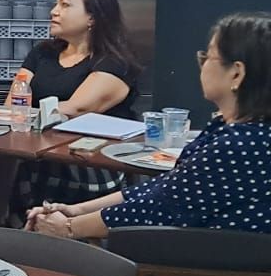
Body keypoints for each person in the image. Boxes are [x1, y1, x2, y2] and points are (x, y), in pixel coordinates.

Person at [29, 12, 271, 238]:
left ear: (236, 74)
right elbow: (164, 188)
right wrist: (78, 211)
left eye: (208, 57)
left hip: (205, 262)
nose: (202, 65)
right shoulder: (232, 131)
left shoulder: (240, 145)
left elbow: (156, 209)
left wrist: (69, 228)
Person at [14, 0, 141, 207]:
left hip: (88, 163)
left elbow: (76, 109)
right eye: (55, 4)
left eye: (65, 5)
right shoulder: (43, 52)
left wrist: (27, 114)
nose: (54, 11)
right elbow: (14, 103)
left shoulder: (115, 62)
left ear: (92, 17)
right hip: (36, 155)